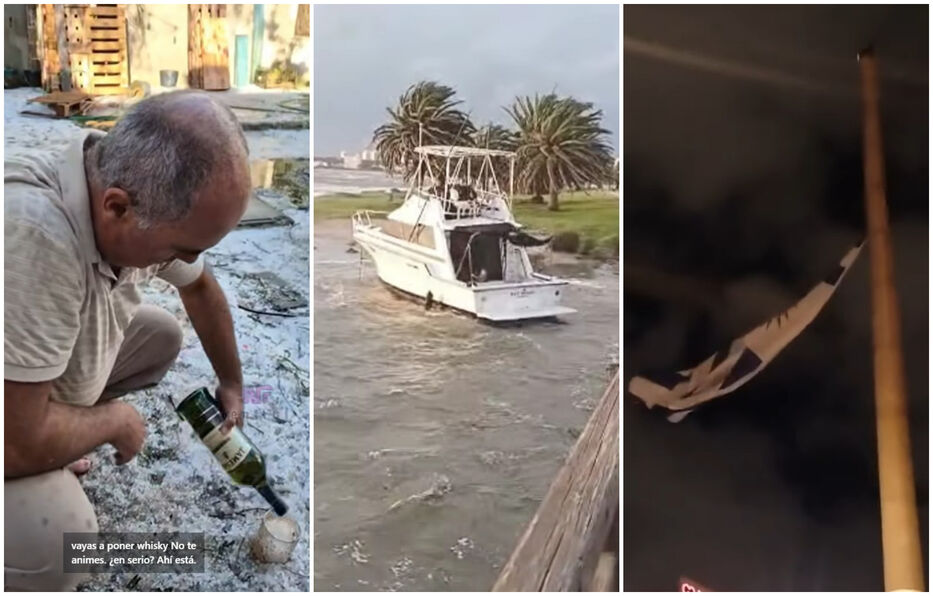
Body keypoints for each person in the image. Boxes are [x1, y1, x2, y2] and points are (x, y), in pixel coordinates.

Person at [4, 90, 252, 591]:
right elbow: (12, 443)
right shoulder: (36, 235)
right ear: (116, 207)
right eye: (181, 248)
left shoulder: (119, 187)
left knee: (161, 335)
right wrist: (113, 421)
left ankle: (55, 431)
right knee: (65, 545)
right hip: (9, 430)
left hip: (19, 383)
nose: (188, 260)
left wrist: (232, 382)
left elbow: (201, 288)